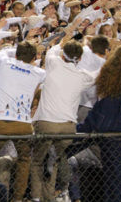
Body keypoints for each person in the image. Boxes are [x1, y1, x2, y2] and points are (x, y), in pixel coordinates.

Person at [31, 39, 95, 202]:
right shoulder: (83, 76)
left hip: (47, 123)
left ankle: (37, 198)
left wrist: (66, 37)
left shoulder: (53, 62)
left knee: (38, 161)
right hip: (68, 127)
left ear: (62, 54)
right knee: (55, 161)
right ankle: (49, 198)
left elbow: (52, 49)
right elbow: (100, 73)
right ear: (79, 59)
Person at [0, 41, 46, 202]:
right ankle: (17, 198)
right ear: (33, 58)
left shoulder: (5, 62)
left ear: (16, 54)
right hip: (23, 125)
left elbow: (3, 51)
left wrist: (15, 51)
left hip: (0, 122)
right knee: (24, 160)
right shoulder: (38, 72)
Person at [77, 45, 121, 202]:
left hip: (100, 123)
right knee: (115, 173)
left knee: (75, 145)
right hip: (120, 128)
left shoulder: (105, 73)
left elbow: (91, 91)